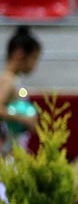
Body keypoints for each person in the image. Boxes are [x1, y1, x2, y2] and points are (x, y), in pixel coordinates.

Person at [0, 25, 41, 154]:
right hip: (7, 150)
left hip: (15, 147)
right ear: (19, 54)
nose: (35, 65)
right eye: (34, 58)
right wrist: (24, 119)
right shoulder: (8, 80)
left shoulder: (14, 80)